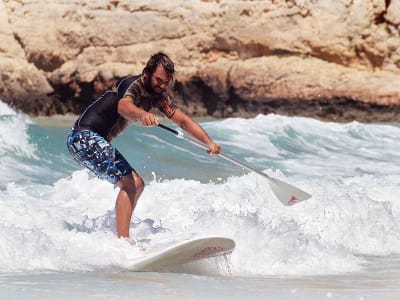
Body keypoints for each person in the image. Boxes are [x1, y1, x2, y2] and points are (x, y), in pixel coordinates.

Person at [67, 52, 220, 239]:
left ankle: (120, 237)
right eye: (158, 80)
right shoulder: (133, 84)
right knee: (133, 183)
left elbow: (183, 121)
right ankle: (123, 242)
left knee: (136, 185)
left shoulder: (158, 97)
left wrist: (209, 142)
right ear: (146, 72)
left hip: (90, 142)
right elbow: (123, 107)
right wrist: (141, 115)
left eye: (165, 82)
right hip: (82, 137)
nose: (161, 85)